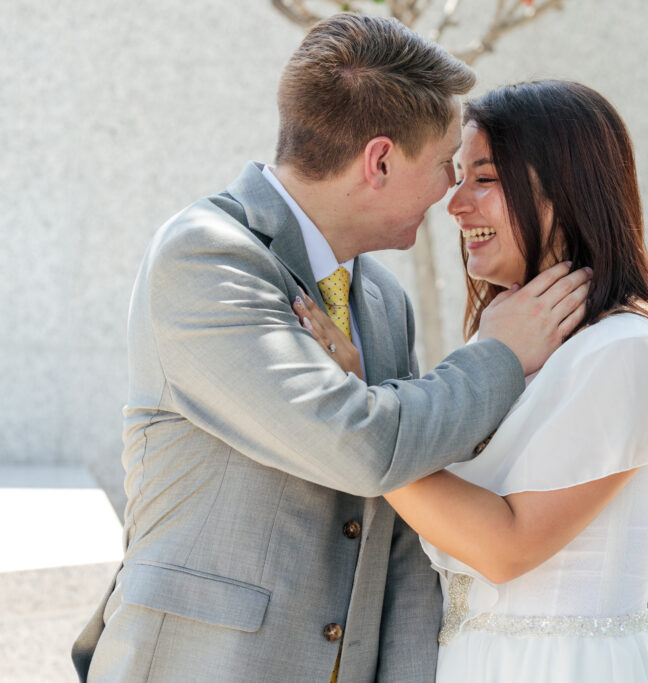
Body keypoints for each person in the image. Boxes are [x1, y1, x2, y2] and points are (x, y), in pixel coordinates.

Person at [71, 16, 591, 683]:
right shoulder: (205, 255)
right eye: (443, 167)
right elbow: (363, 447)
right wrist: (498, 353)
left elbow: (401, 527)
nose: (448, 195)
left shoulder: (382, 301)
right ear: (378, 161)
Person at [299, 79, 648, 682]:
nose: (455, 204)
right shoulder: (505, 344)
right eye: (457, 177)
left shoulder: (629, 351)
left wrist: (358, 414)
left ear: (569, 191)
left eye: (483, 179)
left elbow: (505, 547)